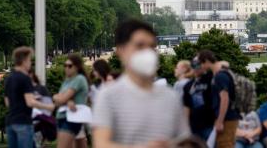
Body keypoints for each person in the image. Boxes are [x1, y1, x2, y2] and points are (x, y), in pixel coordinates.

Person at [92, 19, 189, 147]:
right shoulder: (108, 96)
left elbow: (184, 141)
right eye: (139, 46)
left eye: (152, 47)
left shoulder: (170, 97)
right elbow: (101, 144)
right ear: (121, 50)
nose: (147, 52)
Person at [4, 47, 55, 148]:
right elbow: (30, 102)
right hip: (23, 122)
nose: (30, 63)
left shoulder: (9, 78)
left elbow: (7, 102)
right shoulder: (25, 78)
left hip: (10, 122)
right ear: (24, 61)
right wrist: (48, 107)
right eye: (29, 60)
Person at [197, 50, 240, 148]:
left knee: (225, 144)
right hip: (228, 117)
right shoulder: (219, 74)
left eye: (201, 63)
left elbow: (224, 99)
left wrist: (220, 120)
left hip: (227, 118)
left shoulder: (220, 76)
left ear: (207, 61)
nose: (201, 66)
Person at [52, 54, 89, 148]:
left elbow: (62, 98)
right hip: (64, 117)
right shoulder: (67, 81)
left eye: (70, 66)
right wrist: (64, 100)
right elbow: (58, 101)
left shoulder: (79, 79)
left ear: (77, 67)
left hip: (71, 118)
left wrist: (60, 98)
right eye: (65, 66)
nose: (67, 68)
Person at [183, 58, 214, 141]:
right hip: (194, 126)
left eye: (198, 65)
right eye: (194, 65)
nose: (196, 68)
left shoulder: (211, 80)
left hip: (209, 124)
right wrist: (185, 126)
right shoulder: (188, 85)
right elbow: (186, 107)